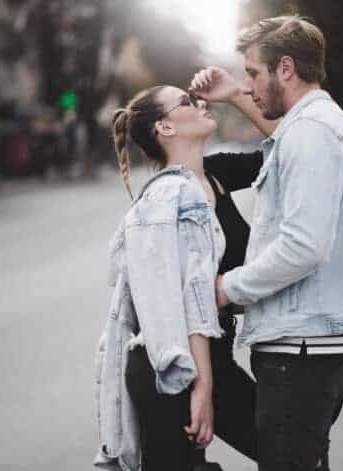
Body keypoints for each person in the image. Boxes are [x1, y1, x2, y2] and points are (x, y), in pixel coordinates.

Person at [190, 15, 343, 471]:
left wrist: (225, 289)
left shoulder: (313, 134)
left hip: (298, 355)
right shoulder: (313, 128)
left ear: (287, 68)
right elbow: (282, 141)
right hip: (307, 349)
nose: (249, 84)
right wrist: (236, 96)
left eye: (254, 73)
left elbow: (302, 247)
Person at [94, 84, 274, 471]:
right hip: (172, 366)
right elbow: (187, 300)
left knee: (291, 452)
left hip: (211, 360)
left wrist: (234, 93)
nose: (201, 103)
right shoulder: (167, 199)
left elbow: (288, 149)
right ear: (166, 127)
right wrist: (202, 386)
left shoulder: (216, 175)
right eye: (188, 102)